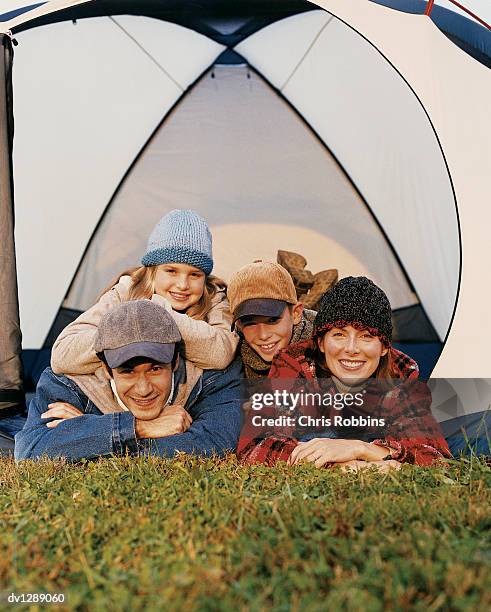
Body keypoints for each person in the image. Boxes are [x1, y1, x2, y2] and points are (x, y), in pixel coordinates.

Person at [238, 276, 451, 469]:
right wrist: (346, 467)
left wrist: (360, 449)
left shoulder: (400, 373)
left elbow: (434, 455)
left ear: (384, 347)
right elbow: (256, 446)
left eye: (366, 336)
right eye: (339, 334)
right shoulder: (294, 364)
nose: (351, 349)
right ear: (321, 342)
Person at [15, 301, 242, 461]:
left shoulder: (209, 377)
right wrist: (138, 428)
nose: (143, 389)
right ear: (106, 369)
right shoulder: (70, 384)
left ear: (174, 362)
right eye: (127, 372)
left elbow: (216, 441)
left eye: (155, 369)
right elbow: (30, 451)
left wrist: (83, 436)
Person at [51, 209, 238, 377]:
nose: (182, 284)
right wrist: (134, 324)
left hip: (189, 401)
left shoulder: (214, 297)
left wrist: (159, 316)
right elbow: (62, 355)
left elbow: (220, 354)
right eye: (171, 271)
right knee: (51, 380)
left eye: (195, 275)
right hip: (131, 399)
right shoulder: (126, 292)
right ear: (153, 270)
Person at [227, 261, 316, 379]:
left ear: (296, 313)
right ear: (238, 325)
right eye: (250, 323)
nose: (263, 335)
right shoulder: (234, 356)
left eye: (272, 320)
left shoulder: (326, 353)